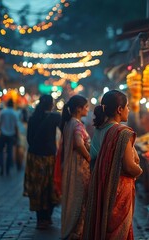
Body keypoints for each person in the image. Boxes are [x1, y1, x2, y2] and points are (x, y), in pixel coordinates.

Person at [83, 90, 142, 240]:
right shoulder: (122, 133)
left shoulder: (104, 130)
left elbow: (94, 156)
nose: (129, 110)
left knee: (106, 224)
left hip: (103, 184)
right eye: (127, 106)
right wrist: (139, 170)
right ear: (119, 109)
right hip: (119, 187)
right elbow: (129, 166)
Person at [23, 95, 61, 229]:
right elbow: (65, 128)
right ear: (51, 104)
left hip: (34, 157)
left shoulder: (33, 118)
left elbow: (28, 139)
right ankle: (48, 217)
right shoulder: (55, 117)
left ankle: (40, 219)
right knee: (49, 188)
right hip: (49, 157)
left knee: (37, 188)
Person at [60, 95, 91, 240]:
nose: (87, 109)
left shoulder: (68, 123)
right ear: (79, 109)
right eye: (85, 107)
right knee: (81, 200)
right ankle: (77, 233)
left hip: (71, 166)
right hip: (80, 168)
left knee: (74, 198)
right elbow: (78, 143)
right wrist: (88, 157)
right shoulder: (77, 124)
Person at [0, 99, 18, 176]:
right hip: (11, 134)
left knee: (1, 152)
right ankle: (7, 169)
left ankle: (2, 167)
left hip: (3, 134)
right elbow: (16, 126)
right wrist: (16, 135)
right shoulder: (15, 113)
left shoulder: (3, 112)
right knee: (9, 152)